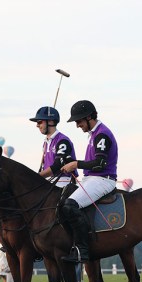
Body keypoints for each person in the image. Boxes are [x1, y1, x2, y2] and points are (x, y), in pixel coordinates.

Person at [59, 99, 118, 263]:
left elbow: (100, 164)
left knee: (70, 205)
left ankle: (82, 250)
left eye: (79, 121)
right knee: (61, 201)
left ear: (89, 117)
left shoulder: (102, 134)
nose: (77, 125)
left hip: (102, 179)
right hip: (91, 178)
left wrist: (76, 164)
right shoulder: (94, 134)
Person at [32, 106, 75, 186]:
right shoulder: (45, 142)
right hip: (48, 180)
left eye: (39, 122)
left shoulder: (63, 141)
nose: (37, 125)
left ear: (51, 122)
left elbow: (57, 166)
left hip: (62, 180)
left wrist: (35, 176)